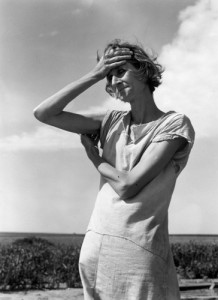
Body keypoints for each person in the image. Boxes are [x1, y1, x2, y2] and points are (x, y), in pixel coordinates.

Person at [34, 39, 195, 300]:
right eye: (109, 76)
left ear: (144, 70)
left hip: (139, 251)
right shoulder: (110, 121)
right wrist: (94, 74)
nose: (115, 80)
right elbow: (44, 113)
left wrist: (94, 158)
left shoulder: (174, 124)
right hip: (97, 245)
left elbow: (128, 185)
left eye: (121, 71)